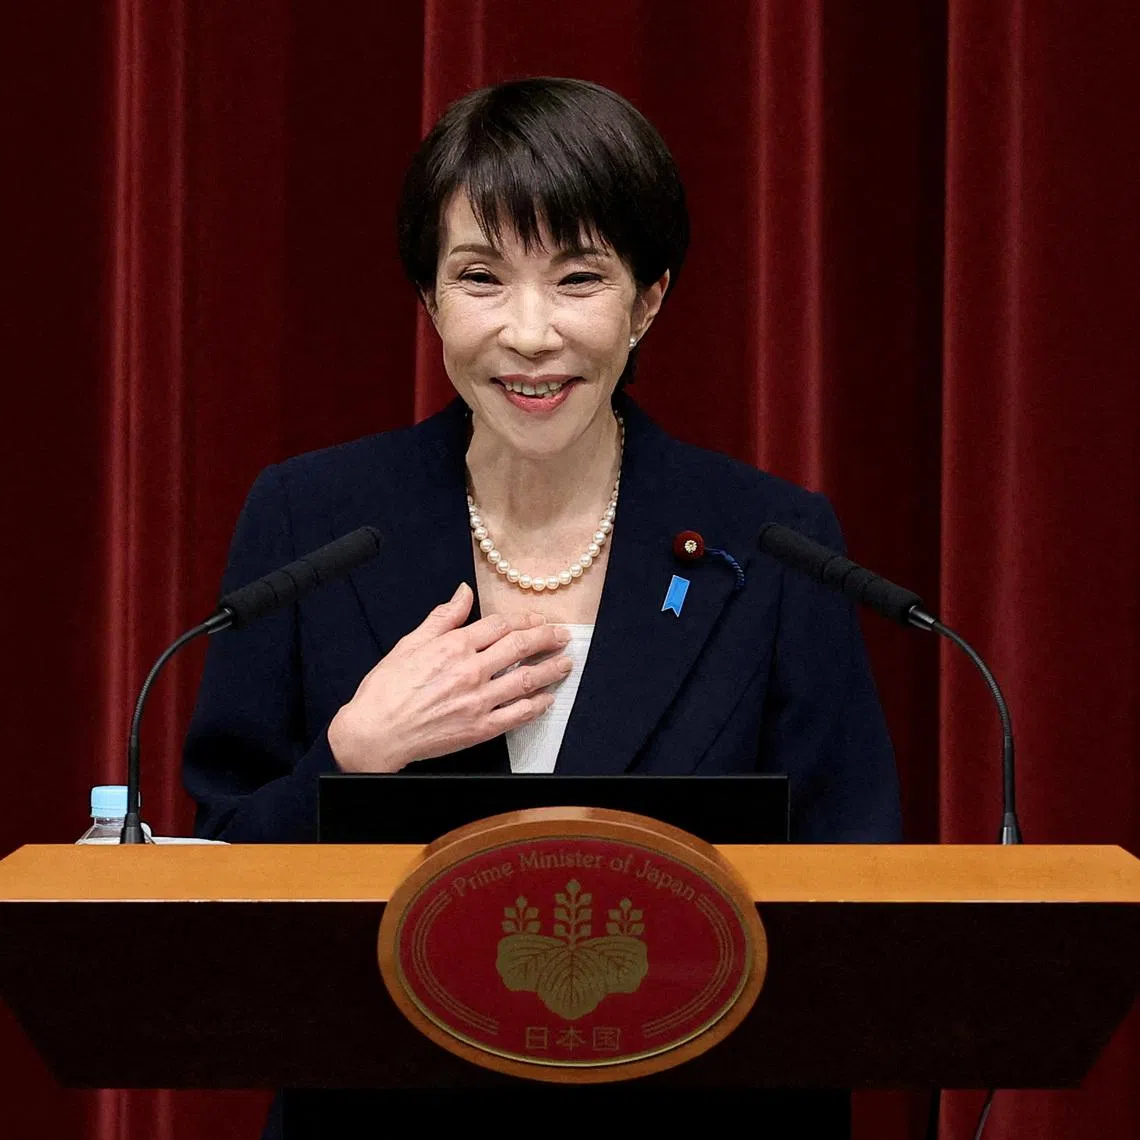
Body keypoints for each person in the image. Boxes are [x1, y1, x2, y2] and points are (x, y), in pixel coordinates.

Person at [183, 76, 899, 1137]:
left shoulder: (771, 541)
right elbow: (213, 895)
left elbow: (855, 896)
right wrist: (353, 755)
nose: (528, 334)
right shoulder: (311, 521)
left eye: (577, 279)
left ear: (648, 298)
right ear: (429, 297)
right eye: (481, 277)